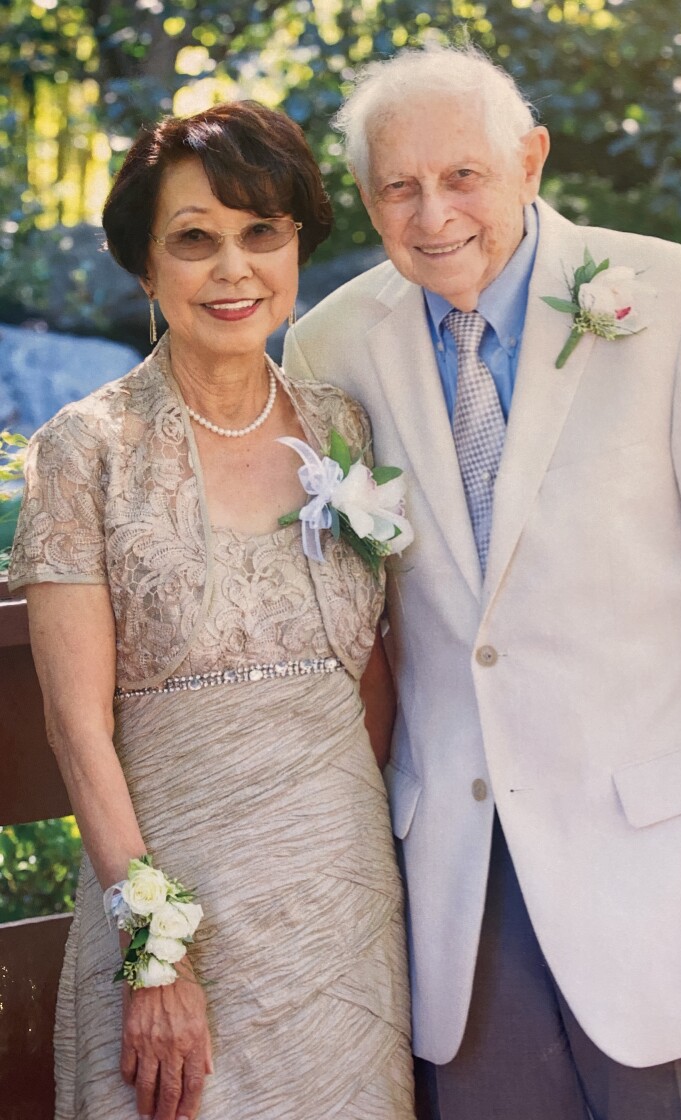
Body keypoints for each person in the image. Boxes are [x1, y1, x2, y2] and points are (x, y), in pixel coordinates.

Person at [283, 44, 681, 1120]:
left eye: (462, 177)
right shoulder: (329, 345)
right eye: (397, 186)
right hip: (465, 913)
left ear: (530, 160)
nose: (431, 212)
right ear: (366, 197)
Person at [9, 101, 414, 1120]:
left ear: (294, 247)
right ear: (147, 270)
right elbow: (75, 725)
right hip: (168, 905)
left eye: (260, 234)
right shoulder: (83, 449)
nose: (233, 268)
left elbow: (370, 672)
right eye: (195, 240)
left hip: (342, 910)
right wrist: (153, 953)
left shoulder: (342, 429)